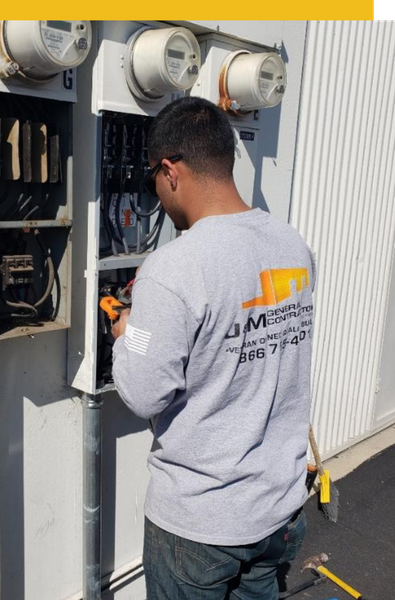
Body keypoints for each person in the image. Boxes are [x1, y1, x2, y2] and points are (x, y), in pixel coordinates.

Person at [111, 97, 315, 600]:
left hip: (200, 525)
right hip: (278, 510)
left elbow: (143, 395)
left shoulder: (173, 268)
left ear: (170, 171)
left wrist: (127, 333)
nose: (156, 196)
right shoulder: (291, 244)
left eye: (155, 182)